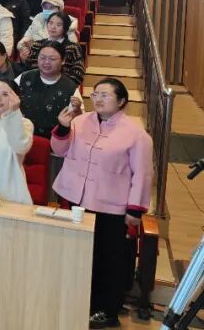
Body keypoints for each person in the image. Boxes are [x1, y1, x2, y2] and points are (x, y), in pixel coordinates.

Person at [51, 78, 152, 329]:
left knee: (108, 259)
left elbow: (142, 174)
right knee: (78, 255)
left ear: (121, 101)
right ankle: (78, 302)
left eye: (105, 95)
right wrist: (62, 127)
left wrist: (135, 209)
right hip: (75, 198)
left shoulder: (136, 134)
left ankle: (106, 310)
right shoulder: (79, 121)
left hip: (111, 205)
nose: (98, 99)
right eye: (95, 94)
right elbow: (59, 150)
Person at [16, 41, 79, 138]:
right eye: (42, 57)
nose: (46, 62)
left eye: (52, 59)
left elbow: (77, 122)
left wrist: (77, 112)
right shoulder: (24, 78)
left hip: (53, 141)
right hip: (20, 137)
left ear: (63, 61)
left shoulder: (71, 88)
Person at [19, 10, 85, 85]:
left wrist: (64, 85)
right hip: (37, 85)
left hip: (64, 86)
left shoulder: (73, 48)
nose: (53, 27)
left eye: (58, 25)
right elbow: (29, 71)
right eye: (50, 23)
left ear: (65, 27)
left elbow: (79, 72)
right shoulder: (37, 45)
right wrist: (24, 60)